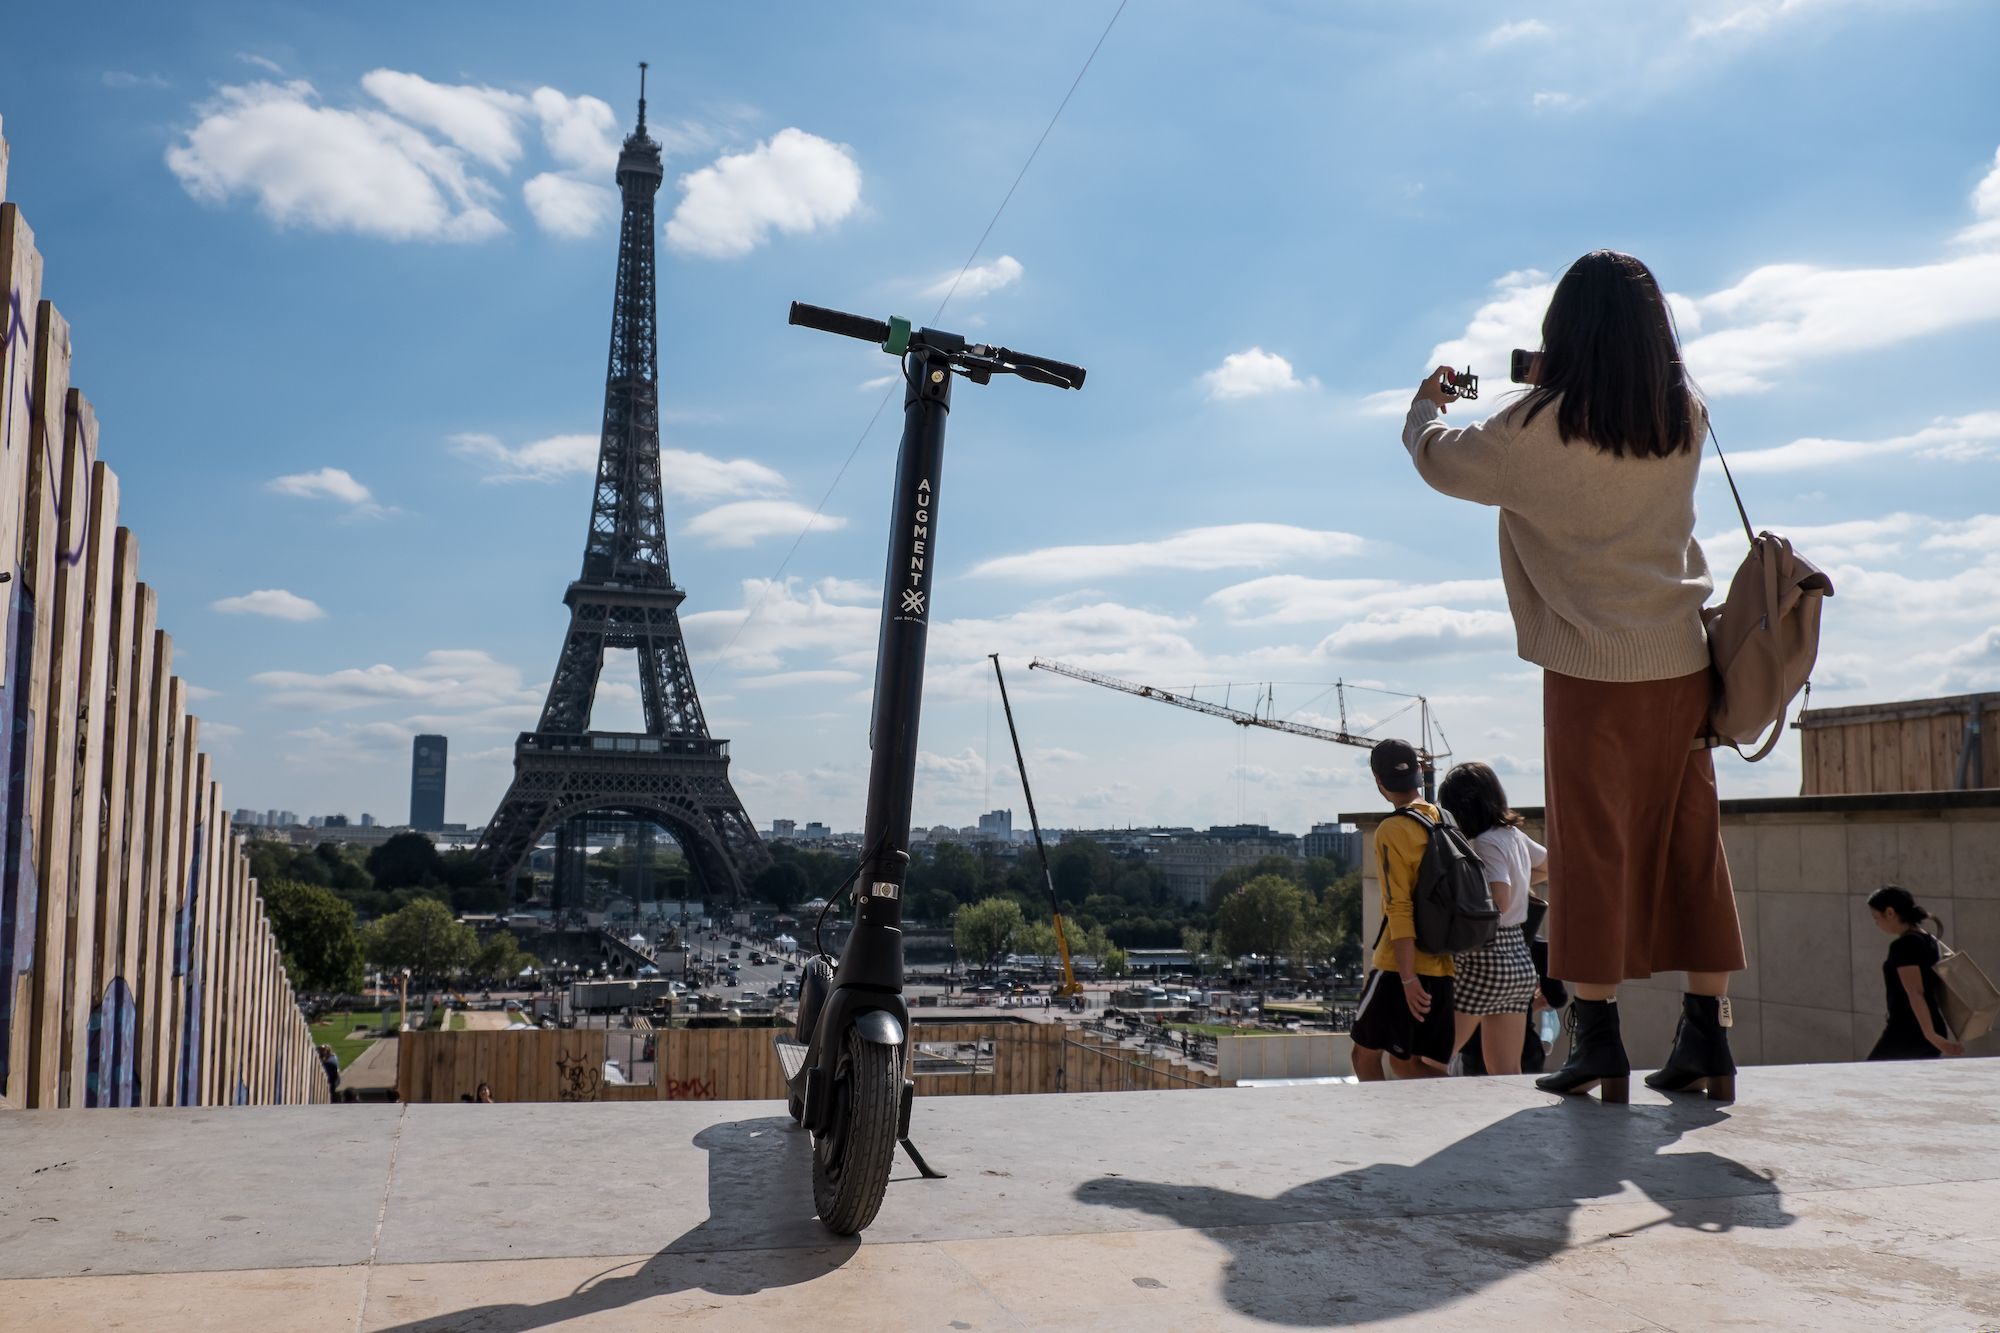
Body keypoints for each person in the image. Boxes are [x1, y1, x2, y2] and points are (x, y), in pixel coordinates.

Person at [1401, 250, 1742, 1105]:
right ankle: (1707, 1033)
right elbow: (1616, 424)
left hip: (1591, 672)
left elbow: (1439, 459)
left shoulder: (1534, 427)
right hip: (1684, 663)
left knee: (1593, 851)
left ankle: (1598, 1040)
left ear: (1563, 329)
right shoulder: (1685, 415)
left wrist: (1426, 400)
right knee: (1692, 846)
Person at [1349, 739, 1455, 1081]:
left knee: (1364, 1056)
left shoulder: (1393, 829)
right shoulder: (1443, 818)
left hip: (1400, 966)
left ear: (1379, 783)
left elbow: (1399, 907)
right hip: (1442, 963)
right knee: (1405, 1062)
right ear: (1420, 773)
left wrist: (1407, 977)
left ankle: (1382, 1132)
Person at [1437, 762, 1547, 1076]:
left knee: (1432, 1059)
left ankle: (1425, 1122)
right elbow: (1549, 864)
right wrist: (1521, 882)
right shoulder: (1512, 834)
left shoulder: (1484, 842)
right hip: (1519, 963)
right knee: (1506, 1070)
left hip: (1486, 959)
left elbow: (1499, 896)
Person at [1865, 886, 1963, 1060]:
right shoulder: (1927, 939)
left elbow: (1916, 993)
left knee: (1872, 1077)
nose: (1876, 923)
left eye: (1876, 917)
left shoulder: (1904, 946)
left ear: (1890, 912)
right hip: (1927, 1027)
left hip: (1909, 1031)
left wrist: (1931, 1036)